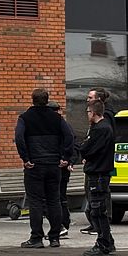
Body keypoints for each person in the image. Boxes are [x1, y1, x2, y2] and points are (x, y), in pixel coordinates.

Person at [15, 89, 74, 249]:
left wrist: (25, 158)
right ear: (47, 101)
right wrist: (65, 157)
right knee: (54, 200)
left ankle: (36, 237)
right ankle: (55, 237)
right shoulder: (57, 118)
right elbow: (69, 136)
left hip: (34, 165)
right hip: (53, 165)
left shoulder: (25, 118)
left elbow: (19, 138)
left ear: (32, 100)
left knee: (35, 202)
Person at [80, 100, 116, 256]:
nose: (87, 114)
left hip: (98, 174)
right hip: (100, 172)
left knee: (98, 210)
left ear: (93, 113)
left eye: (88, 112)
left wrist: (83, 149)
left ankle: (102, 243)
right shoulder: (104, 128)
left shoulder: (100, 129)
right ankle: (108, 241)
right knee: (98, 209)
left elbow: (88, 149)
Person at [47, 101, 77, 239]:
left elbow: (71, 143)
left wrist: (67, 159)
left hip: (56, 165)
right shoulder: (66, 125)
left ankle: (61, 225)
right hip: (62, 165)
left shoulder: (54, 125)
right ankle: (64, 224)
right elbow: (73, 144)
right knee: (61, 197)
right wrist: (69, 159)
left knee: (54, 198)